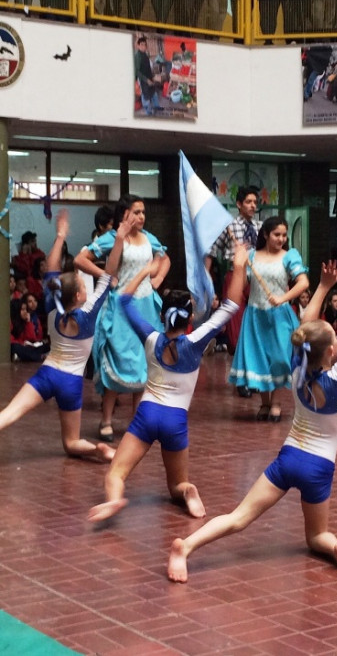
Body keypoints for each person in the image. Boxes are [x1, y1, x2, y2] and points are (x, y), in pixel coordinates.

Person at [167, 256, 337, 583]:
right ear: (332, 351)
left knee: (238, 518)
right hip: (318, 468)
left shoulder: (297, 367)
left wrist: (323, 286)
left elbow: (306, 326)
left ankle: (186, 547)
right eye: (334, 337)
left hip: (288, 459)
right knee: (317, 537)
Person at [88, 243, 249, 523]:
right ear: (189, 320)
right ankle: (189, 491)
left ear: (162, 315)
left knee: (116, 473)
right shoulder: (196, 341)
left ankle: (114, 500)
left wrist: (144, 274)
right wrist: (239, 266)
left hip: (147, 415)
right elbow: (231, 306)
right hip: (176, 420)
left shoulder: (151, 338)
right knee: (176, 485)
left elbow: (124, 300)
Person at [0, 210, 118, 462]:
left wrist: (60, 236)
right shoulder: (86, 317)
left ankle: (99, 451)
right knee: (72, 443)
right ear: (77, 296)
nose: (86, 285)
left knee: (9, 414)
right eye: (83, 285)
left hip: (48, 374)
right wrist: (118, 240)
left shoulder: (53, 306)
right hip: (70, 383)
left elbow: (50, 271)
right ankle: (100, 450)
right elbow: (108, 276)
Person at [74, 194, 171, 442]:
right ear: (124, 214)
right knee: (119, 361)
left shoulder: (149, 238)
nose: (141, 217)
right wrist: (106, 276)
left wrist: (157, 278)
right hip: (120, 307)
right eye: (136, 212)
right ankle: (106, 420)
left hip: (146, 306)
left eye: (143, 212)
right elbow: (80, 259)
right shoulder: (111, 237)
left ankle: (137, 423)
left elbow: (164, 257)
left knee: (143, 365)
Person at [228, 216, 309, 421]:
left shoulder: (289, 256)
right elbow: (239, 288)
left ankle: (277, 402)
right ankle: (264, 403)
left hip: (280, 316)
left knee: (281, 358)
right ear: (265, 234)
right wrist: (239, 265)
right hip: (255, 315)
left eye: (284, 234)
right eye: (276, 234)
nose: (281, 238)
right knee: (259, 358)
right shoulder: (252, 256)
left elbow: (303, 283)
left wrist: (283, 297)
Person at [207, 185, 262, 397]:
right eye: (248, 202)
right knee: (236, 331)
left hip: (257, 279)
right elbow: (211, 252)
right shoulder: (228, 226)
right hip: (235, 276)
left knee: (255, 328)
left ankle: (253, 376)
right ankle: (241, 379)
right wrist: (207, 282)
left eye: (255, 202)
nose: (252, 206)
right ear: (239, 204)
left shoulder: (260, 226)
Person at [134, 36, 161, 116]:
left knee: (153, 93)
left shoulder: (144, 54)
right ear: (138, 46)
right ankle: (148, 113)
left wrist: (152, 77)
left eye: (145, 45)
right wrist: (146, 80)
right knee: (146, 97)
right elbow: (137, 71)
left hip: (149, 78)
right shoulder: (137, 56)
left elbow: (148, 68)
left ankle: (157, 108)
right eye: (141, 45)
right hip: (143, 81)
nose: (143, 46)